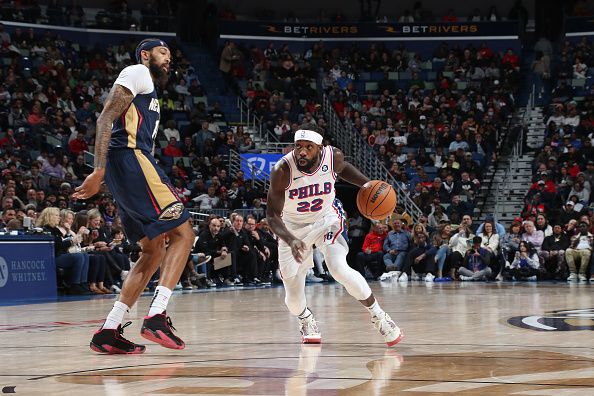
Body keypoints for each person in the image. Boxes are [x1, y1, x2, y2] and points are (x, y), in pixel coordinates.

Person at [74, 38, 195, 354]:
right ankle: (157, 315)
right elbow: (104, 118)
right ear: (146, 54)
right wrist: (98, 171)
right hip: (129, 158)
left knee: (153, 250)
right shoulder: (137, 72)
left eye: (170, 53)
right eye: (162, 52)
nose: (168, 58)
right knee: (184, 232)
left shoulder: (150, 90)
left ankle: (109, 330)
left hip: (127, 166)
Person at [266, 125, 403, 346]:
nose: (302, 152)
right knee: (293, 299)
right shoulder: (282, 170)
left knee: (338, 267)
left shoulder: (333, 156)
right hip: (292, 227)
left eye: (308, 147)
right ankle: (306, 318)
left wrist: (366, 184)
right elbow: (272, 216)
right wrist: (291, 240)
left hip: (326, 218)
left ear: (320, 148)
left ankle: (379, 315)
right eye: (298, 146)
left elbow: (344, 168)